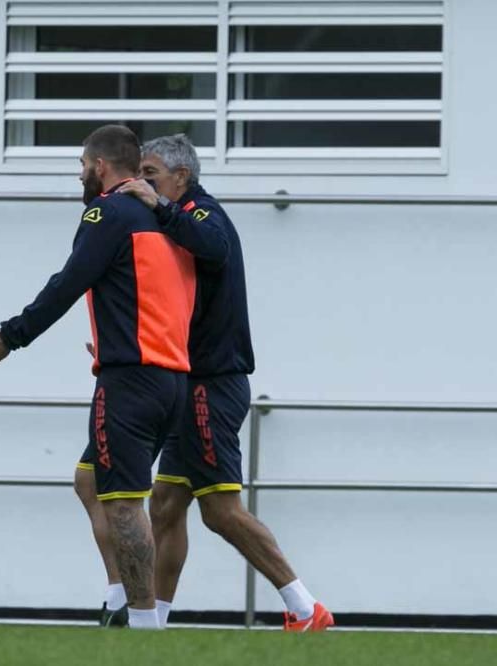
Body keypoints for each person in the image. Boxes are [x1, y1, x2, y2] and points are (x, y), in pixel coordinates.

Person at [74, 134, 334, 631]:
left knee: (219, 509)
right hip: (178, 383)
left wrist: (161, 208)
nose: (140, 184)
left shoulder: (201, 214)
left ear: (181, 178)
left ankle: (306, 609)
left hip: (210, 387)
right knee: (165, 504)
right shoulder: (163, 226)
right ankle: (150, 621)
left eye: (150, 174)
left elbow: (214, 245)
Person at [0, 125, 196, 629]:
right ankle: (118, 601)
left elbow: (69, 281)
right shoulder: (164, 220)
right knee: (89, 480)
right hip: (171, 379)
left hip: (130, 381)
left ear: (101, 166)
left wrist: (10, 336)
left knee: (125, 504)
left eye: (81, 165)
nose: (79, 175)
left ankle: (143, 626)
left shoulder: (107, 212)